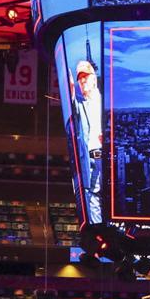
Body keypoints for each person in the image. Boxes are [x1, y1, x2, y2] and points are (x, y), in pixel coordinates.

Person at [67, 58, 104, 224]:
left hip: (104, 157)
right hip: (89, 158)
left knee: (105, 195)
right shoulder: (80, 104)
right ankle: (99, 229)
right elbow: (72, 100)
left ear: (94, 78)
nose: (82, 80)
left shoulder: (105, 101)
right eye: (79, 77)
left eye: (85, 76)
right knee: (91, 195)